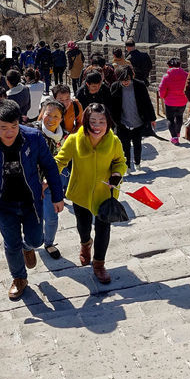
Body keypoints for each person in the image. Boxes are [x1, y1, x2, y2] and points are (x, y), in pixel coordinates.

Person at [0, 100, 66, 301]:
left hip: (31, 200)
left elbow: (49, 165)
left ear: (19, 123)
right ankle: (19, 278)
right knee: (11, 244)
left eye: (14, 127)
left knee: (36, 240)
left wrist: (58, 196)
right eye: (4, 128)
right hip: (3, 203)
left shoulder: (33, 137)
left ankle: (28, 247)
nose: (9, 133)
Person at [55, 103, 127, 284]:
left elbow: (120, 161)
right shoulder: (74, 139)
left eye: (101, 121)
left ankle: (99, 264)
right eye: (92, 121)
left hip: (104, 194)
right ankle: (85, 243)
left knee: (104, 228)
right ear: (86, 122)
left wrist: (117, 174)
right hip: (81, 192)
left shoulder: (114, 141)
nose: (97, 126)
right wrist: (49, 178)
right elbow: (60, 160)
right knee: (83, 226)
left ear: (107, 123)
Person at [36, 100, 68, 260]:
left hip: (52, 184)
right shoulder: (31, 133)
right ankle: (28, 244)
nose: (51, 119)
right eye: (48, 114)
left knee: (51, 217)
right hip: (32, 184)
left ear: (61, 119)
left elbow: (65, 161)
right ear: (42, 114)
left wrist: (48, 182)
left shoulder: (65, 137)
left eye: (56, 116)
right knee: (32, 218)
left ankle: (49, 243)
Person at [109, 66, 156, 174]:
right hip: (122, 122)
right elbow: (112, 106)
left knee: (137, 143)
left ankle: (137, 162)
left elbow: (147, 102)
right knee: (124, 145)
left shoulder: (139, 85)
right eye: (122, 80)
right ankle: (127, 166)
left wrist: (152, 118)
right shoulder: (115, 87)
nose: (125, 82)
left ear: (132, 76)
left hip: (138, 120)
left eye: (127, 79)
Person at [157, 56, 189, 145]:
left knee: (170, 119)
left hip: (170, 102)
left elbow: (162, 89)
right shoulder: (186, 75)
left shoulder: (166, 77)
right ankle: (177, 133)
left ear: (169, 66)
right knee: (179, 117)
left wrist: (162, 96)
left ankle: (174, 138)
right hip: (182, 101)